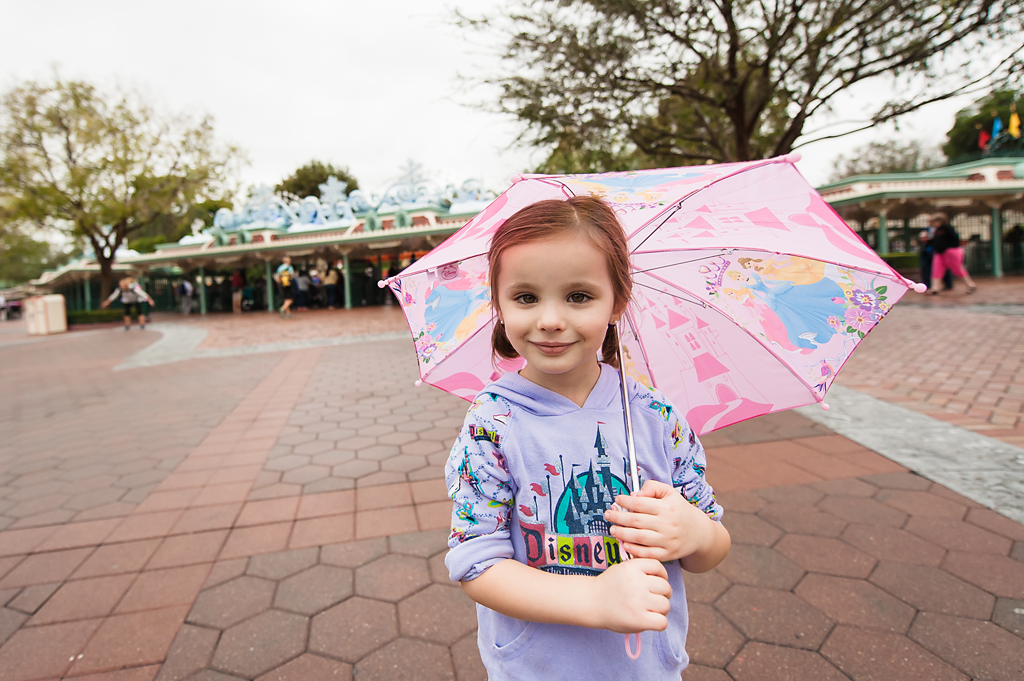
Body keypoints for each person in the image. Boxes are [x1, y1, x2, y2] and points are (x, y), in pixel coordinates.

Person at [444, 196, 730, 680]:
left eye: (578, 296)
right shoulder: (492, 423)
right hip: (535, 670)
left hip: (648, 669)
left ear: (617, 300)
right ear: (498, 304)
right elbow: (475, 563)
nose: (551, 319)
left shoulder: (655, 418)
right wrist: (593, 599)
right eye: (526, 297)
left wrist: (696, 531)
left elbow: (711, 547)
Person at [927, 213, 976, 294]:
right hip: (939, 252)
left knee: (957, 268)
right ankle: (935, 288)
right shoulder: (937, 230)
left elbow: (954, 238)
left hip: (951, 251)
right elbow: (935, 241)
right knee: (936, 269)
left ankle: (970, 284)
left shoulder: (947, 228)